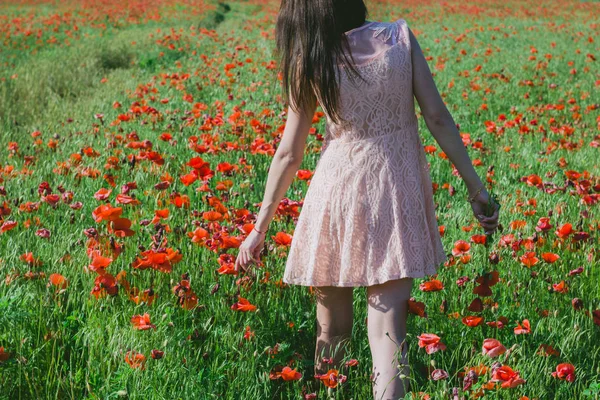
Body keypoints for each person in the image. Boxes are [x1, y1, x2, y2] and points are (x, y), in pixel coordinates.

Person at [234, 1, 500, 399]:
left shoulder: (311, 57)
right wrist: (476, 189)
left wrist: (259, 229)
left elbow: (290, 153)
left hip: (335, 194)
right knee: (387, 332)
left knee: (332, 331)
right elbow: (438, 118)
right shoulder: (399, 39)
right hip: (394, 191)